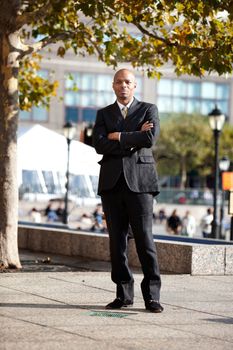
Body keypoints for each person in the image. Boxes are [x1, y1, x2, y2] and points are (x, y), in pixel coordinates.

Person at [93, 68, 163, 313]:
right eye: (119, 82)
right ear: (113, 86)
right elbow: (98, 144)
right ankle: (123, 295)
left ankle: (152, 297)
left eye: (128, 82)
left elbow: (150, 139)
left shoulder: (148, 109)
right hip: (112, 185)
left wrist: (119, 137)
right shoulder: (104, 114)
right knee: (117, 243)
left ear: (135, 86)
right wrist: (133, 139)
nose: (123, 86)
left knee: (145, 239)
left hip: (141, 184)